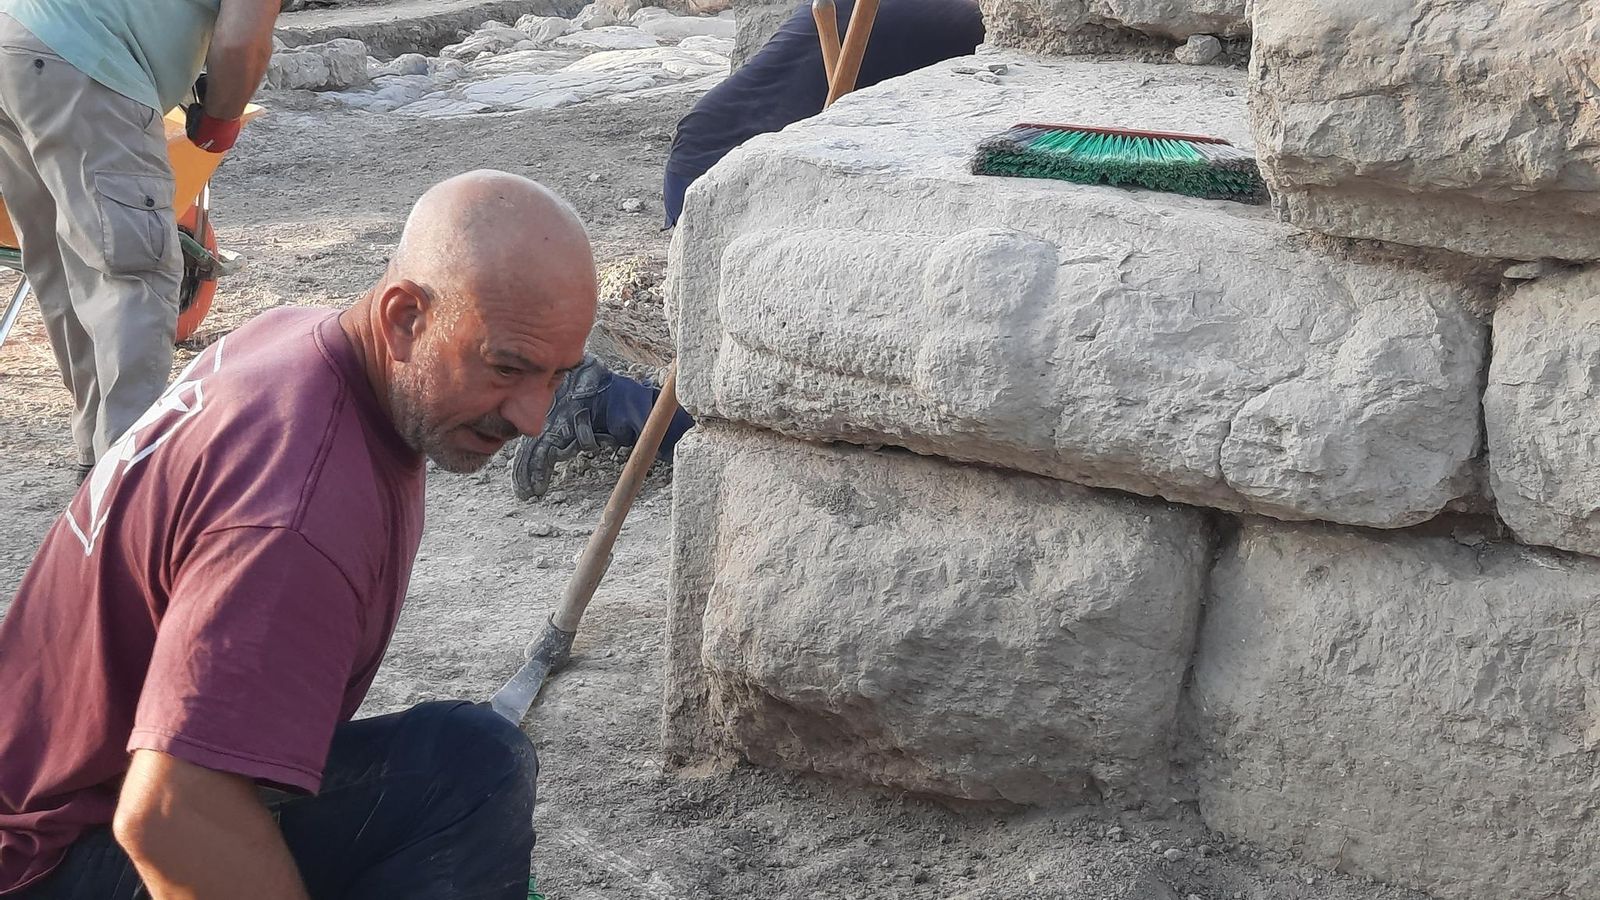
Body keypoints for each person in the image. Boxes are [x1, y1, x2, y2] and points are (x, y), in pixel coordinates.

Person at [0, 171, 599, 899]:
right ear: (404, 317)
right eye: (508, 367)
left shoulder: (297, 342)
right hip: (51, 861)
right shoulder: (298, 515)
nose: (535, 416)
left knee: (452, 768)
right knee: (470, 774)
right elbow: (171, 815)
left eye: (557, 377)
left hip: (63, 798)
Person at [508, 0, 983, 501]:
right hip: (734, 172)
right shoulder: (978, 22)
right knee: (791, 385)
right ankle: (604, 403)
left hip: (748, 154)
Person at [0, 0, 277, 481]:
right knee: (134, 272)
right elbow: (242, 41)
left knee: (64, 264)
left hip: (14, 44)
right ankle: (130, 482)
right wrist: (222, 115)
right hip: (86, 64)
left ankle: (97, 455)